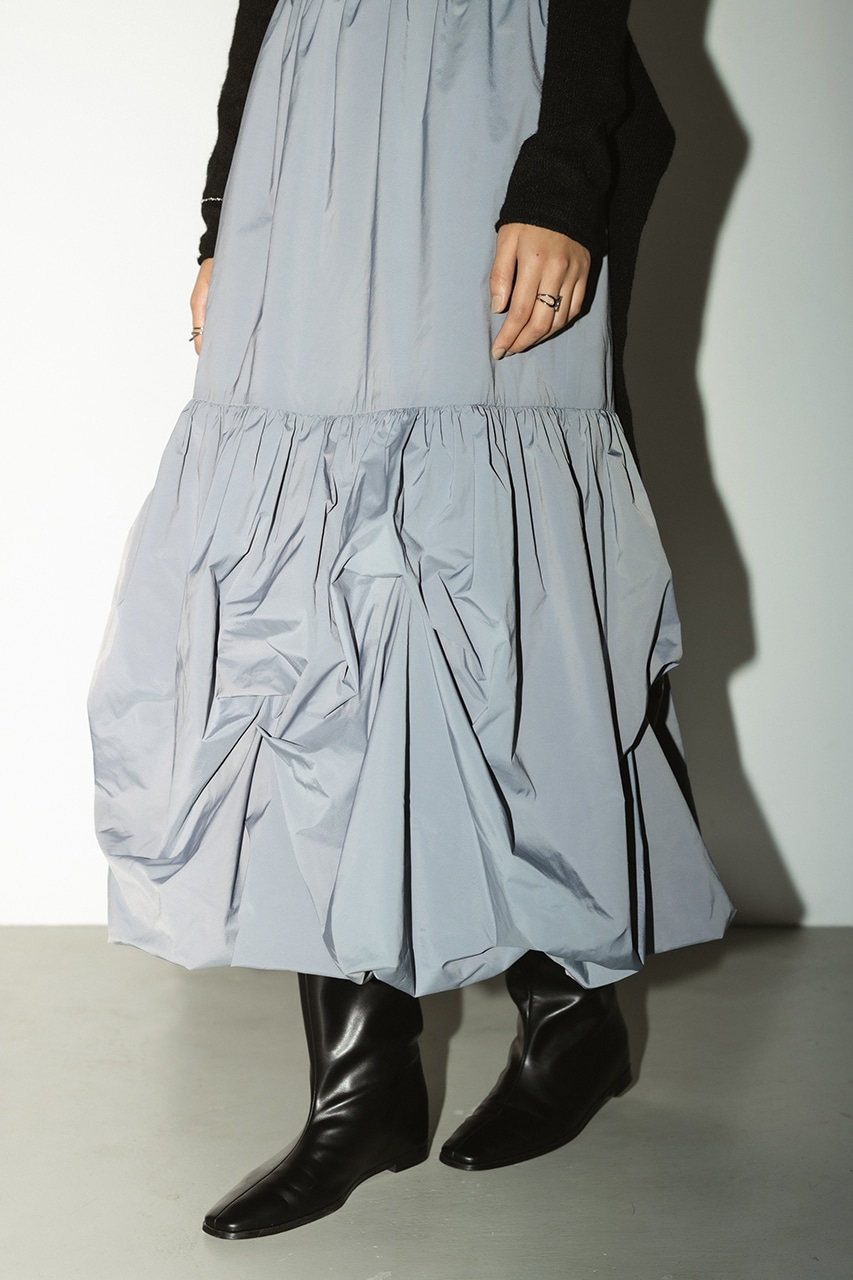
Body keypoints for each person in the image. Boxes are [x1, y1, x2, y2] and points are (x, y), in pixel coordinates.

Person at [88, 0, 734, 1241]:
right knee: (308, 589)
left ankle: (571, 1011)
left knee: (491, 576)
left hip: (486, 84)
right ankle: (362, 1083)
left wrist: (563, 171)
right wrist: (225, 207)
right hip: (311, 114)